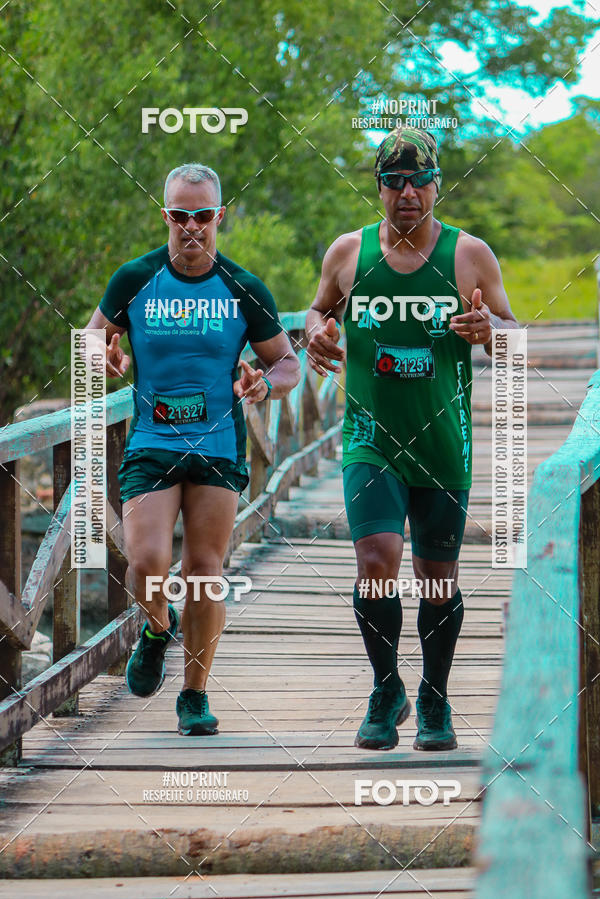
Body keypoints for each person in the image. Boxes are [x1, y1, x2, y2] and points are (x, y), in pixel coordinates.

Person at [306, 127, 518, 752]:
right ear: (378, 187)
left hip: (443, 445)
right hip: (370, 438)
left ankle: (434, 696)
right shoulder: (349, 253)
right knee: (375, 561)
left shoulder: (468, 255)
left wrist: (489, 330)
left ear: (436, 188)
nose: (406, 193)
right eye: (394, 181)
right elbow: (318, 311)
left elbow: (512, 333)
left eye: (418, 181)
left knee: (436, 578)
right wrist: (317, 333)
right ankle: (385, 686)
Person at [84, 163, 300, 736]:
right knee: (145, 565)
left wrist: (262, 383)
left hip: (218, 446)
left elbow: (288, 363)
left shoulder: (243, 287)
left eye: (203, 216)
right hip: (152, 443)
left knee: (205, 571)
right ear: (166, 217)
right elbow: (89, 338)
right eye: (180, 216)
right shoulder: (135, 278)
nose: (192, 227)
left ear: (219, 217)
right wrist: (104, 357)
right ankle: (157, 627)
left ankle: (195, 694)